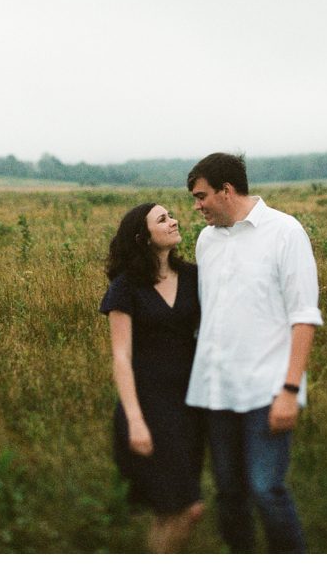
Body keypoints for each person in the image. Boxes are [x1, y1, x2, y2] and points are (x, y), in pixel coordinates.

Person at [185, 152, 322, 553]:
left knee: (267, 489)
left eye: (201, 196)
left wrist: (290, 390)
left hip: (268, 389)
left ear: (226, 191)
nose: (196, 207)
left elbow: (304, 316)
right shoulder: (206, 241)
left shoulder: (285, 232)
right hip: (217, 390)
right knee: (229, 494)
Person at [101, 203, 207, 552]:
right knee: (185, 507)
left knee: (172, 510)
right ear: (143, 238)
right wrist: (135, 419)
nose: (174, 221)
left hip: (190, 405)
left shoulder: (193, 276)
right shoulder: (126, 287)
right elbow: (121, 355)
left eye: (171, 215)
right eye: (162, 219)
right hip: (149, 406)